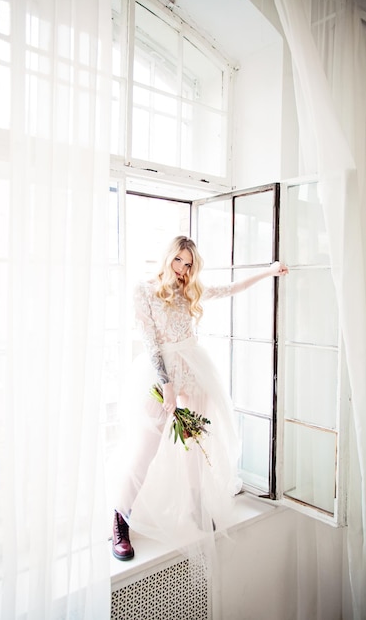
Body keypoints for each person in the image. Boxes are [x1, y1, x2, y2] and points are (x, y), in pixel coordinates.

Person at [111, 235, 288, 561]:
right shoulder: (144, 289)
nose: (182, 268)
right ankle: (120, 518)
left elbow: (231, 289)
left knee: (195, 444)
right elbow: (150, 342)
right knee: (144, 450)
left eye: (188, 263)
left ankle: (194, 506)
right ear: (168, 258)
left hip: (193, 369)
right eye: (178, 260)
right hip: (159, 371)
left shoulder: (189, 289)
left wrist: (270, 271)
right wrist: (164, 382)